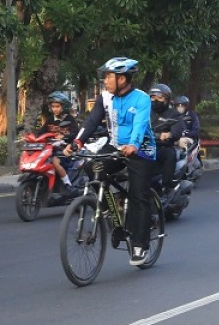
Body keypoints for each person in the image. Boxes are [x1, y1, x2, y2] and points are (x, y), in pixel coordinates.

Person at [67, 57, 157, 266]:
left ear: (123, 79)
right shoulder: (105, 97)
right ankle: (110, 210)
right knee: (92, 165)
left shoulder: (142, 99)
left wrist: (133, 145)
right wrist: (77, 141)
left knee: (138, 196)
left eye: (109, 76)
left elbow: (140, 125)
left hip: (141, 150)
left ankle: (139, 245)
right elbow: (91, 120)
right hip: (115, 146)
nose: (105, 81)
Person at [37, 91, 80, 197]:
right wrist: (32, 137)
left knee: (55, 162)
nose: (55, 109)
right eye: (53, 106)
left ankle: (67, 185)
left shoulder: (69, 119)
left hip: (66, 149)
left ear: (63, 106)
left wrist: (65, 136)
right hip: (51, 149)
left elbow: (75, 133)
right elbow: (41, 132)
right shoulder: (50, 120)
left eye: (57, 106)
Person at [149, 83, 184, 198]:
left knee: (169, 154)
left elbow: (177, 131)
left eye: (160, 97)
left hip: (162, 147)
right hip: (145, 147)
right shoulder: (145, 112)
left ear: (167, 99)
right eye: (153, 97)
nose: (156, 100)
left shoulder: (173, 114)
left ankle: (167, 187)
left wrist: (168, 135)